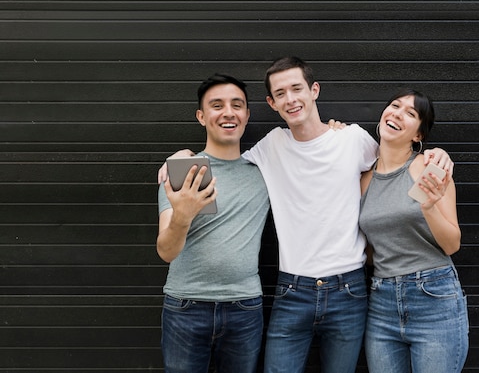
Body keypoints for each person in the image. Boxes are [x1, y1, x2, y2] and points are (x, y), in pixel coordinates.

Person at [157, 57, 454, 373]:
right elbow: (227, 160)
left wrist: (435, 153)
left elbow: (395, 159)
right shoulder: (271, 145)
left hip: (349, 290)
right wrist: (182, 157)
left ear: (314, 90)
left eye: (297, 88)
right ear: (272, 103)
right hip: (291, 291)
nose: (291, 99)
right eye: (281, 93)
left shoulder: (353, 139)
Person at [156, 73, 270, 373]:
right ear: (201, 116)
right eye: (217, 105)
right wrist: (184, 213)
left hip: (245, 308)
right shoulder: (182, 172)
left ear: (247, 114)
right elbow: (166, 251)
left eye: (237, 105)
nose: (228, 112)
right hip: (185, 307)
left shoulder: (266, 171)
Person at [358, 88, 469, 373]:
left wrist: (429, 207)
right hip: (381, 301)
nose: (397, 113)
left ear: (418, 135)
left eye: (410, 113)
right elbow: (371, 250)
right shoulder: (363, 179)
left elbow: (452, 244)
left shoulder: (428, 168)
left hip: (433, 296)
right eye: (394, 105)